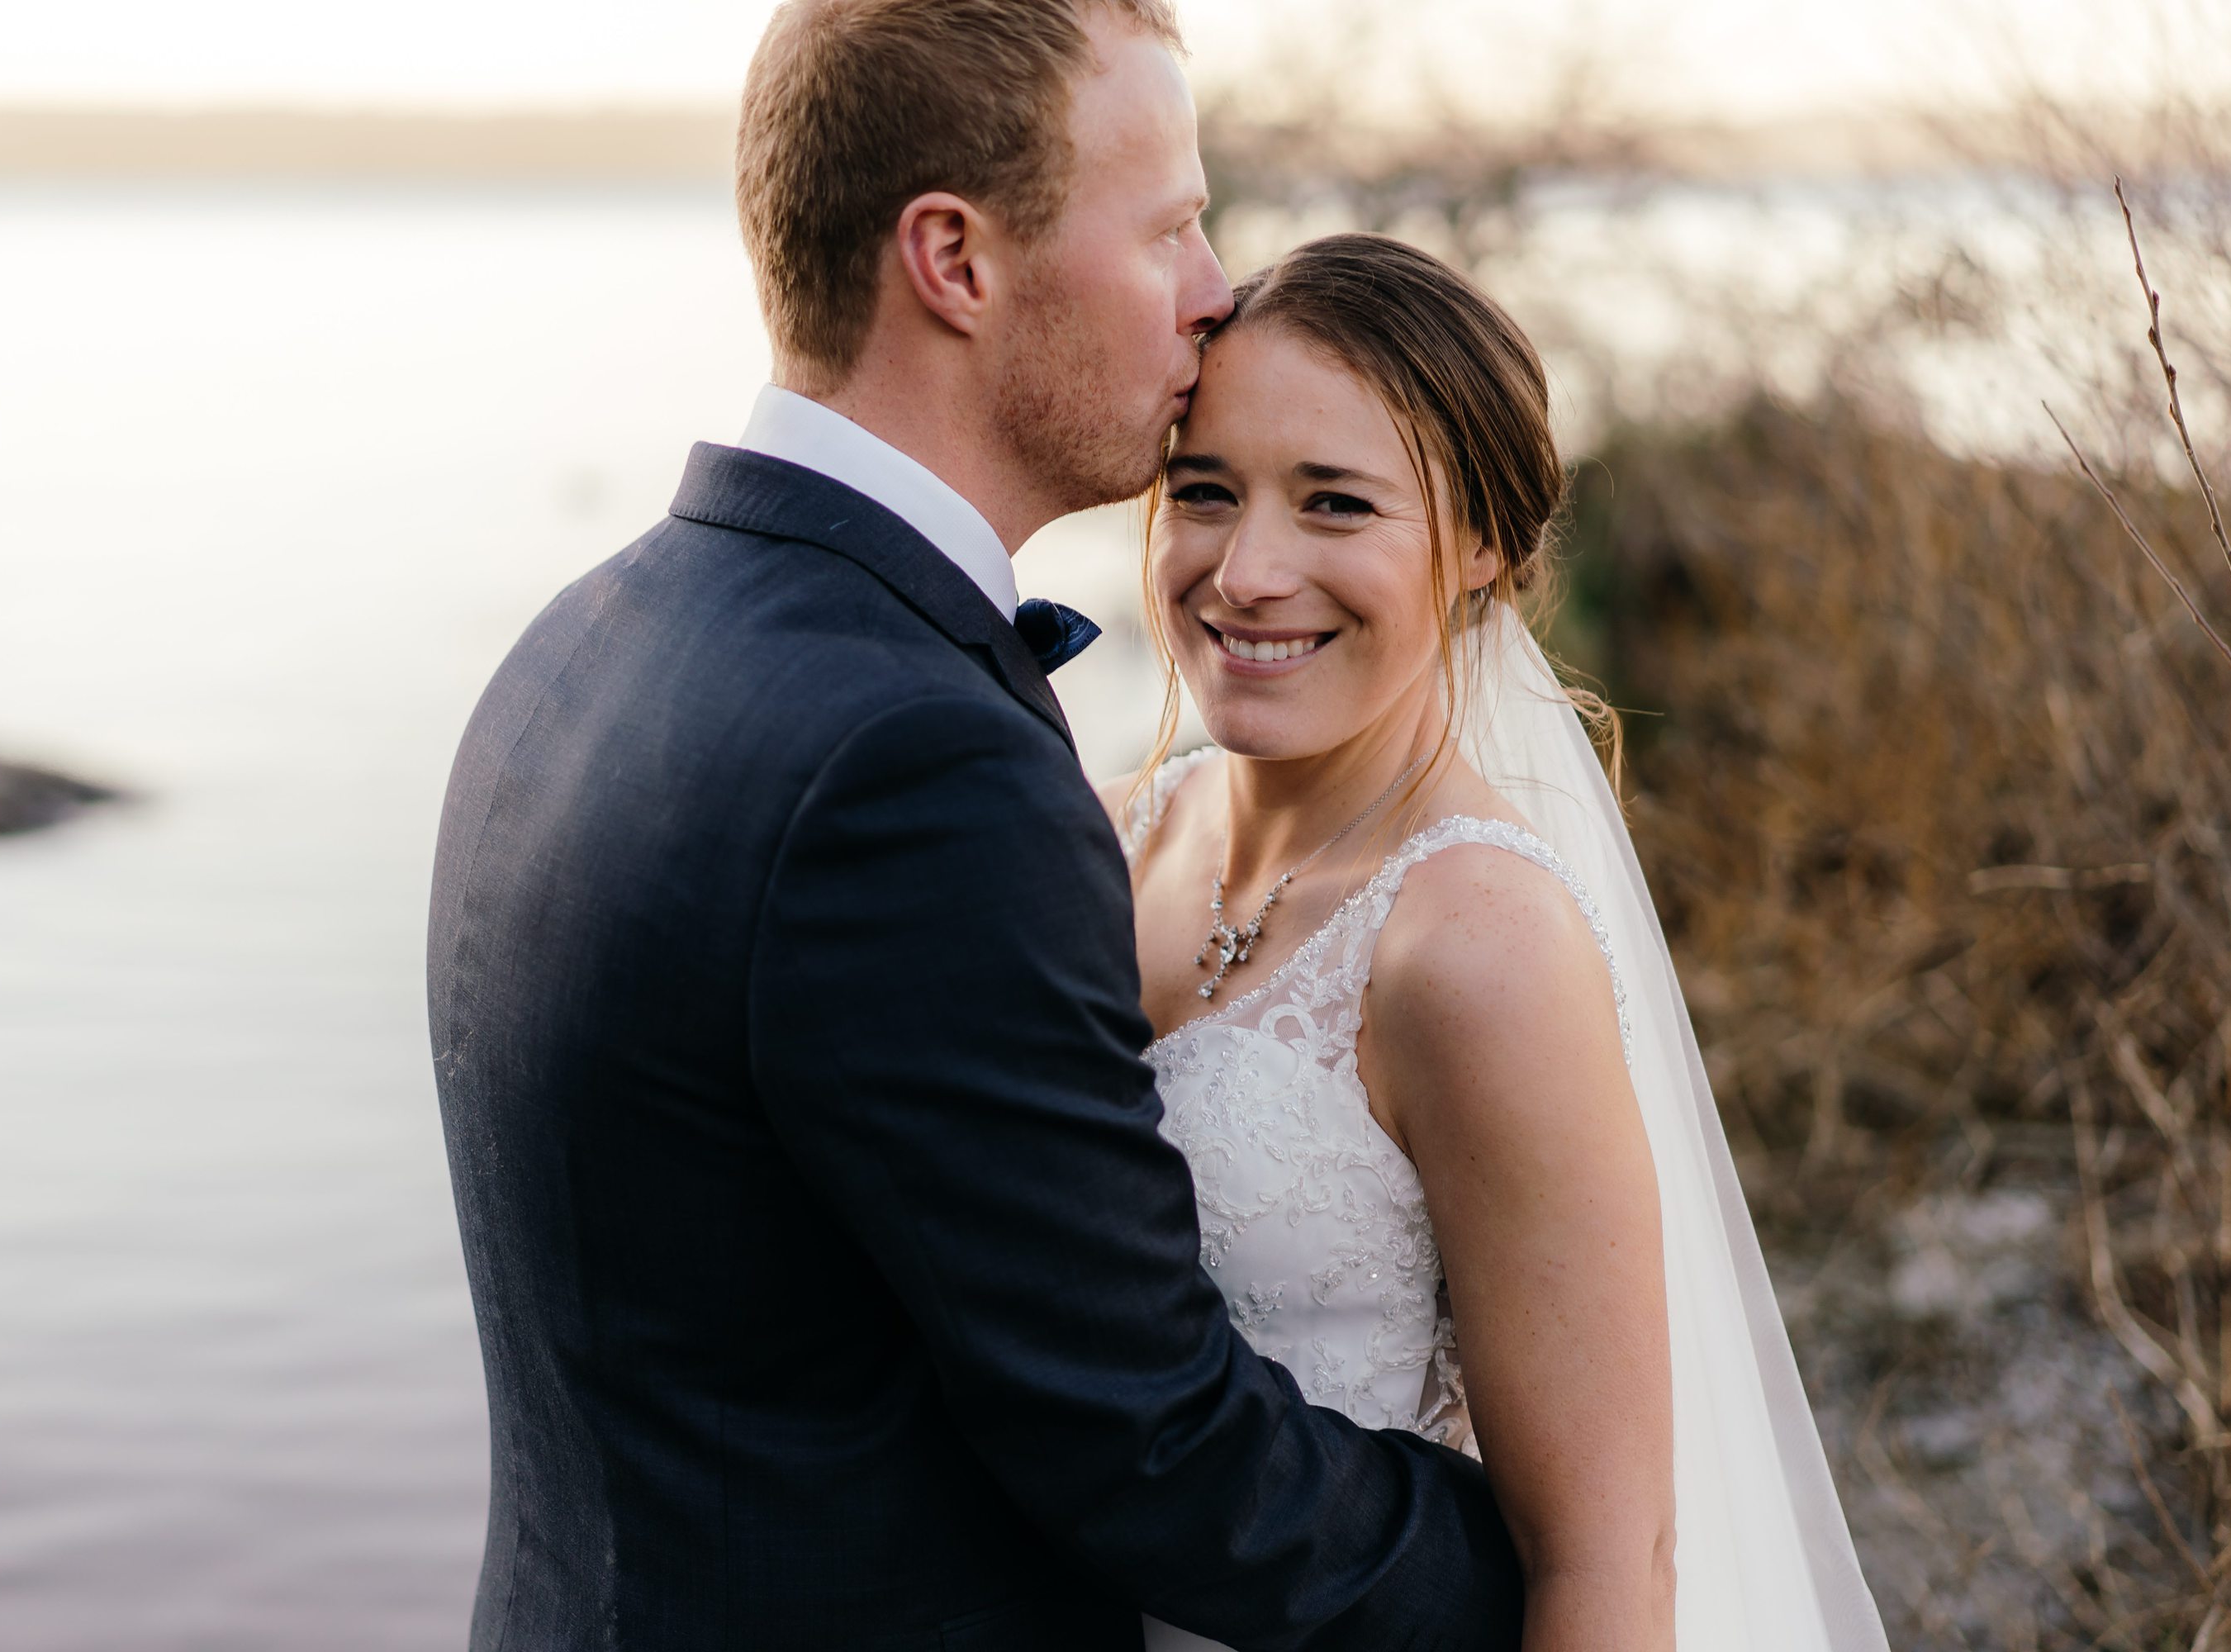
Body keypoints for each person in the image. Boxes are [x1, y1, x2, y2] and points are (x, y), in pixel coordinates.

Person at [425, 3, 1525, 1647]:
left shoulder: (589, 638)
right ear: (954, 258)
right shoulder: (910, 764)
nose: (1215, 287)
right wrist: (1556, 1557)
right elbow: (1146, 1438)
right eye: (1166, 227)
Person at [1103, 232, 1891, 1651]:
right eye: (1202, 492)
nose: (1248, 570)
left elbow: (1606, 1560)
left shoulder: (1476, 947)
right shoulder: (1101, 838)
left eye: (1337, 506)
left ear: (1484, 550)